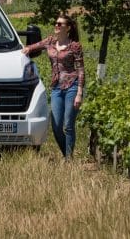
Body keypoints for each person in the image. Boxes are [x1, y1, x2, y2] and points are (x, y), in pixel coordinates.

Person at [22, 14, 85, 159]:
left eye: (60, 24)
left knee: (68, 125)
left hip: (72, 86)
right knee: (56, 126)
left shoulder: (75, 46)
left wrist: (79, 92)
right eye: (56, 23)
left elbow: (81, 70)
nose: (56, 25)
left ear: (68, 28)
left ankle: (68, 160)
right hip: (56, 87)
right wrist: (24, 50)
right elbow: (33, 47)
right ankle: (67, 155)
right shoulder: (50, 41)